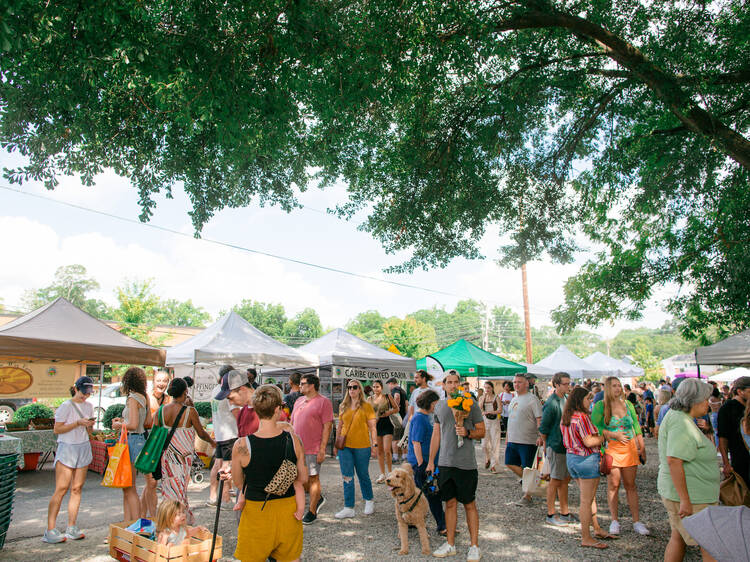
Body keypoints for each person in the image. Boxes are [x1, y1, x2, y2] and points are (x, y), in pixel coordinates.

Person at [231, 385, 307, 562]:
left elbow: (239, 482)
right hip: (288, 510)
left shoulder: (242, 445)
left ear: (256, 409)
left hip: (256, 511)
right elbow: (302, 478)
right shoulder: (293, 440)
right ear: (278, 409)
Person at [658, 379, 720, 562]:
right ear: (695, 400)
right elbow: (674, 461)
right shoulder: (681, 422)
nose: (708, 403)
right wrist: (685, 500)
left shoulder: (680, 417)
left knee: (678, 536)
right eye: (706, 399)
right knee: (709, 544)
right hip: (692, 497)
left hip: (688, 494)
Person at [427, 371, 484, 561]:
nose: (452, 385)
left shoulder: (470, 403)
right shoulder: (440, 406)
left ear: (459, 385)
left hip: (466, 463)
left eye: (455, 382)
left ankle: (474, 545)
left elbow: (481, 431)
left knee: (469, 504)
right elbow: (436, 434)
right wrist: (430, 461)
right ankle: (450, 543)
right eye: (449, 382)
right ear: (443, 385)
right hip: (445, 462)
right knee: (449, 503)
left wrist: (467, 432)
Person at [591, 377, 650, 536]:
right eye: (614, 386)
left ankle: (636, 521)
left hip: (629, 448)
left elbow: (636, 426)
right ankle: (614, 520)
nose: (618, 389)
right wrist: (612, 434)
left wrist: (641, 446)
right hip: (612, 449)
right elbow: (595, 426)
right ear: (608, 388)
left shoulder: (628, 404)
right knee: (613, 485)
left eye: (619, 386)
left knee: (631, 485)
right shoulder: (601, 405)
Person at [155, 377, 216, 525]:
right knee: (180, 490)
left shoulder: (161, 411)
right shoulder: (190, 411)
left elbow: (155, 433)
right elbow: (201, 433)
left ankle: (169, 522)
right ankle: (176, 523)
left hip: (166, 457)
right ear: (186, 392)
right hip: (183, 458)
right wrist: (212, 442)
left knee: (169, 490)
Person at [43, 376, 96, 543]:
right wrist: (77, 423)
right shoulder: (66, 406)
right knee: (61, 488)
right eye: (83, 392)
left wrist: (89, 426)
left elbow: (89, 429)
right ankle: (50, 529)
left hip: (83, 446)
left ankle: (71, 526)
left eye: (88, 393)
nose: (85, 396)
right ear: (76, 388)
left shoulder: (89, 406)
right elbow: (57, 429)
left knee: (77, 488)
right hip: (67, 447)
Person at [560, 387, 612, 549]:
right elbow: (589, 441)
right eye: (588, 398)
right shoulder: (582, 417)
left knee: (588, 497)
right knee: (586, 500)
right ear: (579, 400)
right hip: (586, 459)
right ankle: (586, 537)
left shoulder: (567, 417)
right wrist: (604, 437)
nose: (591, 401)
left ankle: (596, 529)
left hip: (572, 459)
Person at [291, 373, 334, 525]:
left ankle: (312, 510)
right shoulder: (299, 400)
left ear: (311, 385)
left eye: (303, 383)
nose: (300, 386)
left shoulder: (324, 402)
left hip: (313, 448)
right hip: (297, 448)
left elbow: (327, 426)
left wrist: (322, 449)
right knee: (300, 479)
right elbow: (292, 423)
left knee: (313, 478)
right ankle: (317, 498)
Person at [111, 367, 152, 521]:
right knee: (127, 487)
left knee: (129, 487)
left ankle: (135, 524)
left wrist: (118, 425)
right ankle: (128, 523)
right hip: (140, 439)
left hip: (132, 440)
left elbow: (133, 424)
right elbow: (146, 422)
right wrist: (124, 422)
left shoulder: (133, 398)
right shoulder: (144, 397)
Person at [335, 379, 377, 518]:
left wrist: (374, 444)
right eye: (349, 387)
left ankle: (369, 500)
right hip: (345, 446)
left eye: (354, 387)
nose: (351, 390)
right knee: (347, 475)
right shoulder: (343, 406)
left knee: (363, 474)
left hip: (362, 446)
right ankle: (348, 507)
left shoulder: (367, 406)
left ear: (360, 389)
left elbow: (372, 427)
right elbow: (339, 426)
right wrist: (336, 444)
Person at [407, 390, 445, 536]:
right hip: (422, 464)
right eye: (435, 403)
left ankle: (411, 521)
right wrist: (422, 464)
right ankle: (441, 525)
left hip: (429, 462)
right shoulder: (419, 418)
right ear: (430, 402)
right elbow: (416, 442)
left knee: (420, 494)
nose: (436, 406)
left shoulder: (427, 417)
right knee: (432, 494)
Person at [539, 372, 573, 526]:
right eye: (565, 384)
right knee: (555, 479)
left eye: (568, 383)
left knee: (564, 479)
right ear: (557, 385)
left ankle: (565, 512)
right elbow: (544, 427)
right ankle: (551, 513)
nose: (568, 386)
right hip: (556, 444)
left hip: (565, 445)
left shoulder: (565, 399)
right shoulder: (552, 403)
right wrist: (546, 446)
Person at [504, 373, 543, 506]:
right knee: (509, 462)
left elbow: (539, 419)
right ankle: (531, 483)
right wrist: (508, 437)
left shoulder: (532, 399)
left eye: (519, 382)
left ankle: (527, 496)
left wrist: (540, 435)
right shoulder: (514, 399)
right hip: (513, 439)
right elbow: (510, 419)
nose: (516, 384)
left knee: (527, 468)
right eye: (514, 382)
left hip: (527, 440)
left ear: (526, 383)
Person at [207, 365, 239, 511]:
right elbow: (237, 414)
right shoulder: (228, 392)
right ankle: (225, 498)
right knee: (227, 467)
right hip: (230, 433)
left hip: (220, 433)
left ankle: (213, 496)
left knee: (217, 465)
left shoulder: (215, 390)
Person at [142, 370, 172, 517]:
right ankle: (153, 517)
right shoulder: (147, 398)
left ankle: (141, 515)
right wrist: (160, 412)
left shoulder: (168, 399)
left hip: (162, 443)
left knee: (151, 484)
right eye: (159, 380)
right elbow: (145, 422)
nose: (161, 384)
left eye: (164, 381)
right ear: (153, 381)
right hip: (148, 442)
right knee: (152, 483)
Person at [718, 376, 750, 486]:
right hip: (740, 459)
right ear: (740, 391)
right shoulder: (727, 408)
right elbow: (723, 437)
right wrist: (726, 463)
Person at [368, 380, 398, 483]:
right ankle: (382, 474)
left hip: (387, 424)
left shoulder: (387, 396)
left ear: (381, 388)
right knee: (379, 451)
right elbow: (367, 413)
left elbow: (396, 409)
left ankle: (390, 472)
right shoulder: (369, 399)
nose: (375, 389)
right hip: (376, 426)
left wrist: (388, 413)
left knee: (387, 450)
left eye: (377, 387)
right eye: (374, 387)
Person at [479, 381, 501, 472]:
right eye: (485, 388)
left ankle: (493, 465)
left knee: (494, 443)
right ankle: (487, 457)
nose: (487, 390)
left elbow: (500, 410)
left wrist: (491, 412)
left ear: (492, 388)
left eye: (488, 388)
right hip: (485, 421)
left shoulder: (496, 397)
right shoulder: (482, 397)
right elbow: (479, 408)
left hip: (494, 422)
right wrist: (483, 397)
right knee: (484, 444)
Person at [386, 377, 407, 463]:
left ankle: (395, 458)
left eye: (388, 385)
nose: (388, 387)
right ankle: (404, 456)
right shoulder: (403, 391)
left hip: (396, 418)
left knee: (395, 438)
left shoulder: (395, 390)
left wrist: (395, 407)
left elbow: (397, 397)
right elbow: (406, 404)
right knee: (403, 438)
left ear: (391, 383)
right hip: (403, 417)